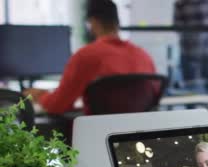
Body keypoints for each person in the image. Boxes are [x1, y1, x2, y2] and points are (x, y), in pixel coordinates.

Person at [23, 0, 156, 115]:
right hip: (132, 138)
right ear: (117, 22)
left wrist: (40, 95)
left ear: (92, 23)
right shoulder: (144, 56)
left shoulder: (87, 55)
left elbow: (57, 105)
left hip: (95, 134)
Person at [173, 0, 208, 93]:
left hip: (205, 49)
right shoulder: (180, 4)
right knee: (189, 87)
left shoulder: (205, 2)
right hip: (188, 50)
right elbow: (177, 27)